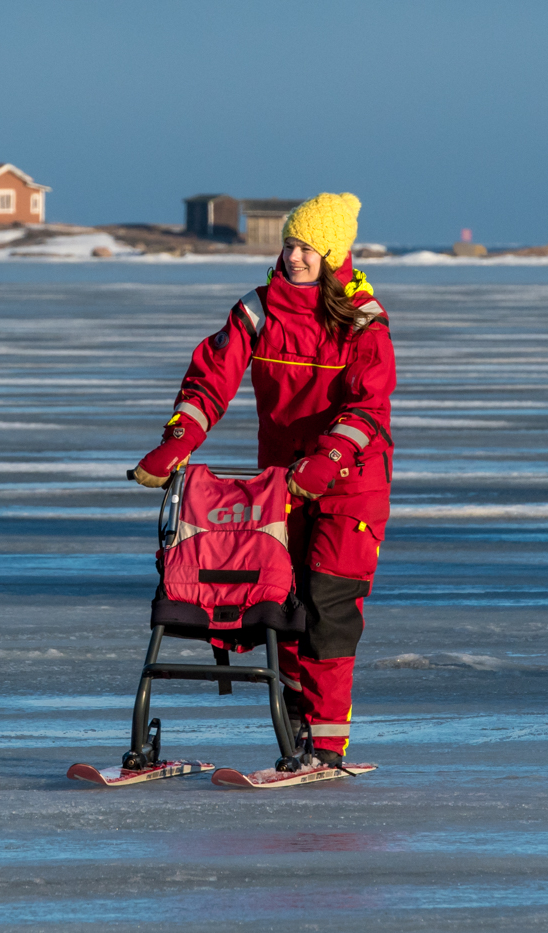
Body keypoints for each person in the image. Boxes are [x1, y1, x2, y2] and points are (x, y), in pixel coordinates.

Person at [132, 192, 394, 767]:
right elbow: (210, 380)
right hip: (284, 484)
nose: (293, 257)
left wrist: (326, 461)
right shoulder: (257, 311)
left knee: (328, 606)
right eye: (288, 245)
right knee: (285, 601)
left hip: (350, 485)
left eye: (305, 248)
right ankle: (296, 728)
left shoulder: (363, 323)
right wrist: (177, 442)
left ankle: (326, 746)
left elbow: (368, 409)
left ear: (332, 254)